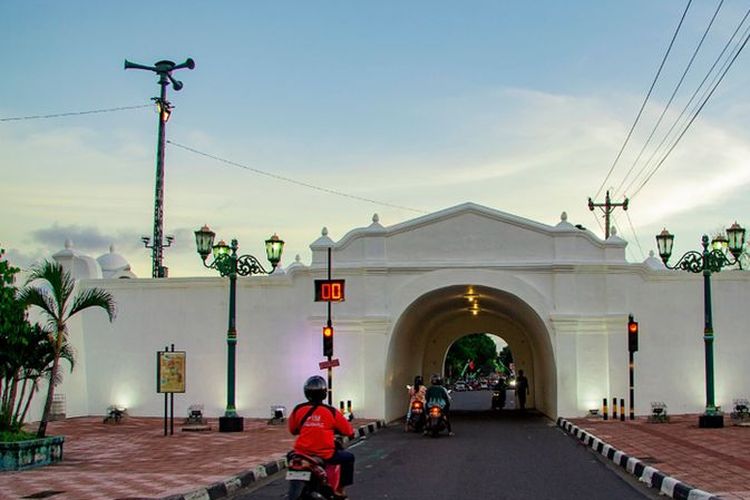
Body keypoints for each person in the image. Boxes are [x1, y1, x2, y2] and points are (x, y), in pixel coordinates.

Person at [288, 376, 355, 499]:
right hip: (324, 454)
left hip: (301, 453)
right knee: (348, 458)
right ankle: (339, 490)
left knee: (290, 457)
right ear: (324, 393)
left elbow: (293, 430)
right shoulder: (331, 411)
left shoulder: (298, 409)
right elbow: (349, 431)